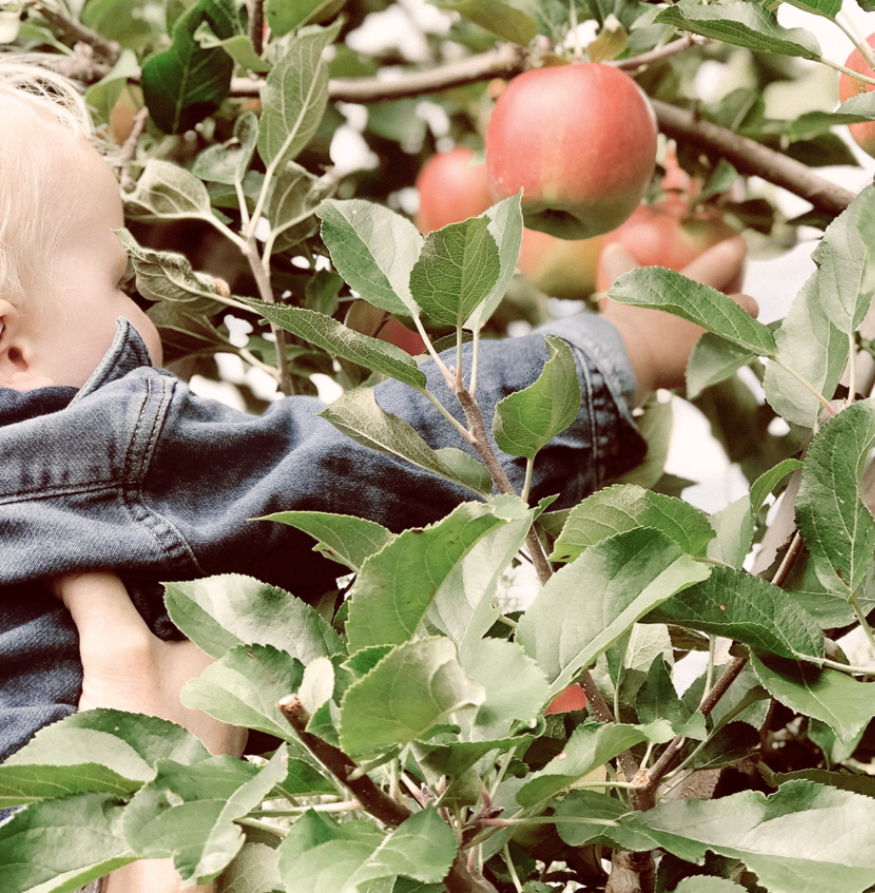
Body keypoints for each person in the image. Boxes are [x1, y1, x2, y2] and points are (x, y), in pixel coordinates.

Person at [0, 62, 755, 887]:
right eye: (123, 285)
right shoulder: (89, 454)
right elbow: (337, 463)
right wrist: (616, 357)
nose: (151, 314)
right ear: (10, 344)